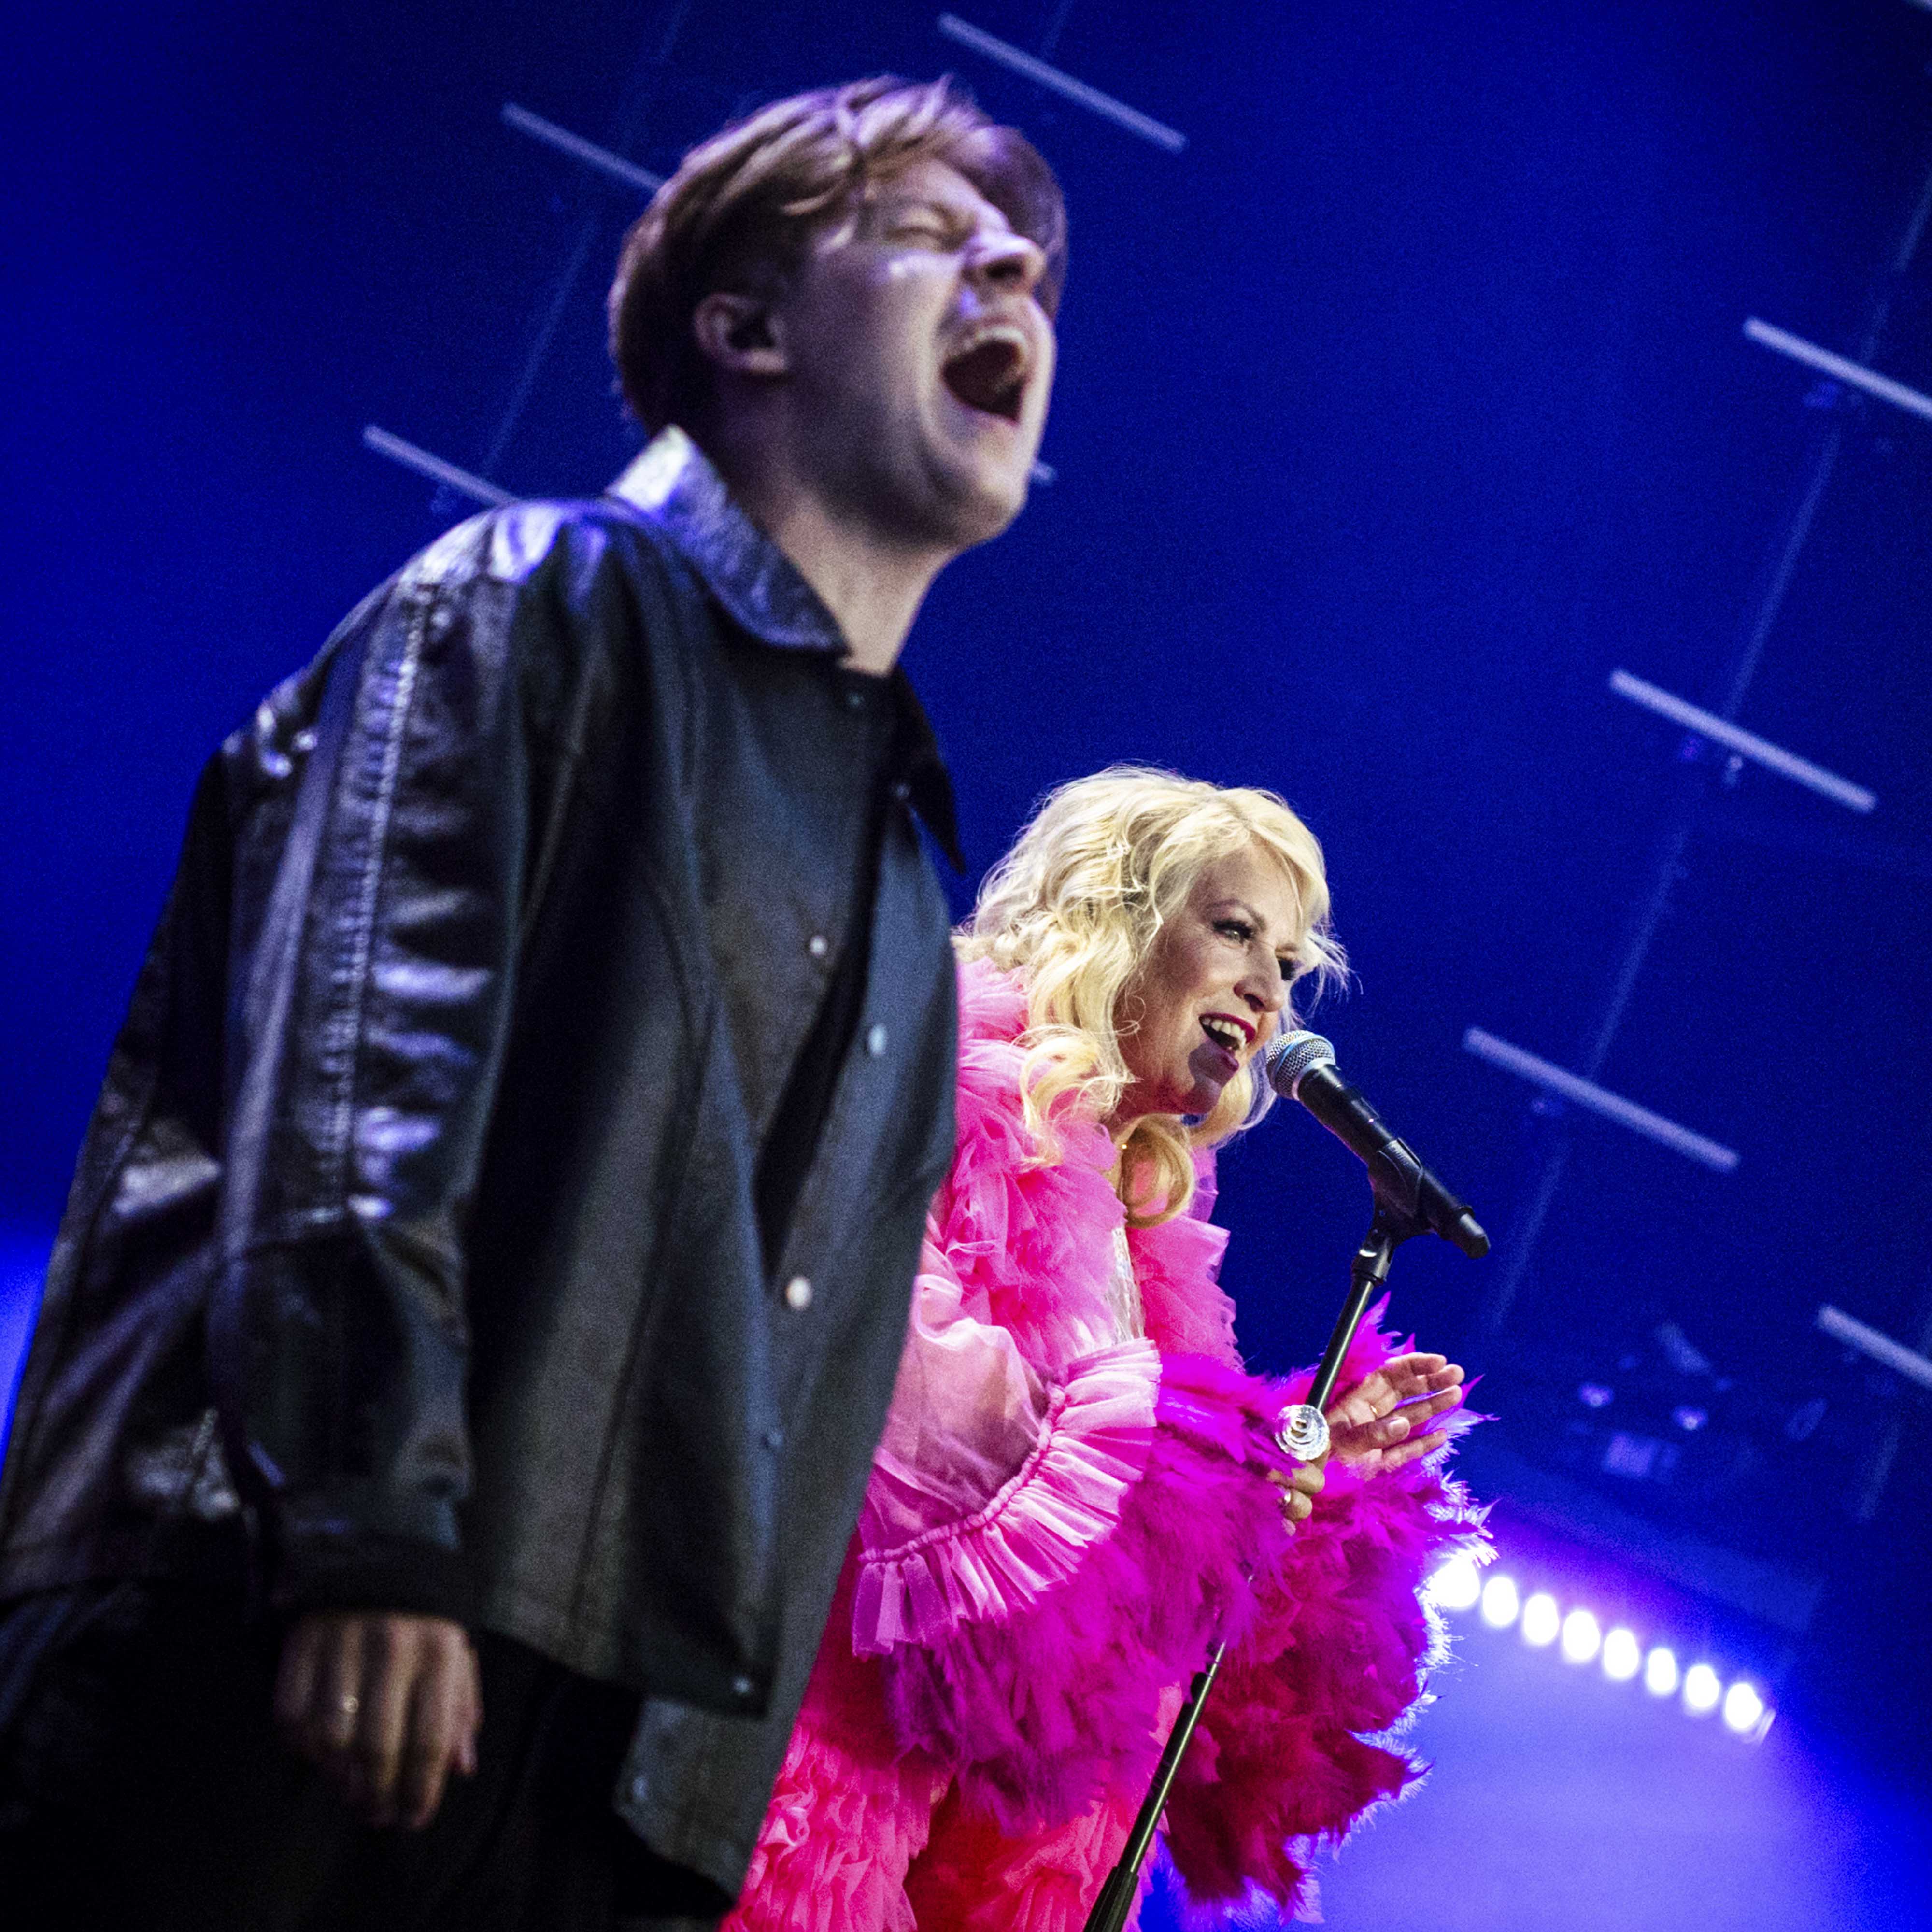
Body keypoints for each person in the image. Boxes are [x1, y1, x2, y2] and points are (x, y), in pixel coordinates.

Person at [0, 77, 1065, 1931]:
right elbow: (356, 1075)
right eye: (926, 230)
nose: (1011, 274)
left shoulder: (908, 876)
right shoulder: (540, 601)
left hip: (592, 1794)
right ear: (744, 330)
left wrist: (687, 1820)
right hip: (288, 1649)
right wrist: (366, 1535)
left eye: (1029, 264)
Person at [723, 767, 1485, 1932]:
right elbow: (888, 1367)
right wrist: (1204, 1456)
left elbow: (1120, 1577)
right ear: (1115, 914)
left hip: (939, 1830)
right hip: (792, 1744)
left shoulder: (1144, 1236)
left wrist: (1292, 1472)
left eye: (1286, 966)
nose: (1266, 992)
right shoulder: (940, 1072)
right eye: (1233, 930)